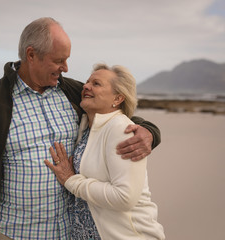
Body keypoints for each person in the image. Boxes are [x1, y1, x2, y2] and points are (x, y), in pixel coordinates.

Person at [0, 17, 161, 240]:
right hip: (14, 232)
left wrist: (150, 132)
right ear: (31, 55)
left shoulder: (71, 92)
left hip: (68, 233)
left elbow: (115, 115)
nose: (65, 68)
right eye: (59, 60)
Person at [45, 64, 165, 239]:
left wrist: (71, 181)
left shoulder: (121, 130)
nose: (86, 86)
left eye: (96, 84)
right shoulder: (87, 127)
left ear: (117, 98)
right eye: (87, 82)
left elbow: (125, 197)